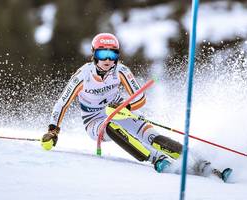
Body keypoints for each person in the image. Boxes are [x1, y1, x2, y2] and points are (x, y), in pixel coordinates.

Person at [41, 33, 217, 176]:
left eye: (113, 54)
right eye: (103, 54)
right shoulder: (83, 75)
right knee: (109, 126)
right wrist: (53, 130)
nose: (108, 60)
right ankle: (156, 159)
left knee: (152, 137)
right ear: (94, 54)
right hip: (94, 120)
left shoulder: (121, 71)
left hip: (120, 112)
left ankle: (199, 161)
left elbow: (140, 98)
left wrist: (125, 108)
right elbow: (62, 103)